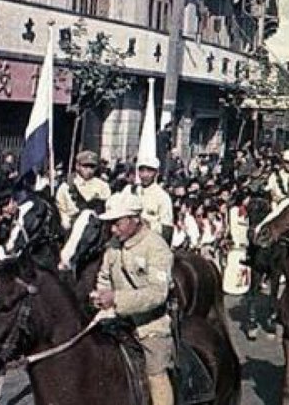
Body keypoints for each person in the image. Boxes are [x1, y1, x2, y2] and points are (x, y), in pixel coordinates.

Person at [92, 192, 174, 405]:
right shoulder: (113, 246)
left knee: (156, 374)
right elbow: (104, 277)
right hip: (115, 320)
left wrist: (116, 299)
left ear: (134, 219)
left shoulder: (156, 247)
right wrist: (100, 296)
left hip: (150, 325)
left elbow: (158, 293)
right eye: (111, 224)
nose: (112, 229)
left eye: (117, 223)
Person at [56, 150, 112, 230]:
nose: (89, 170)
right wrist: (66, 223)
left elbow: (108, 208)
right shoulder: (66, 187)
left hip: (95, 228)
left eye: (92, 167)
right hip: (72, 227)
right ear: (77, 166)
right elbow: (61, 209)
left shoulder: (103, 186)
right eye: (85, 166)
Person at [127, 154, 174, 243]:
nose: (145, 175)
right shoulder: (130, 191)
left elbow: (167, 231)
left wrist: (147, 224)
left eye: (149, 171)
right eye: (142, 170)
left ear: (156, 173)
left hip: (150, 242)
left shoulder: (162, 197)